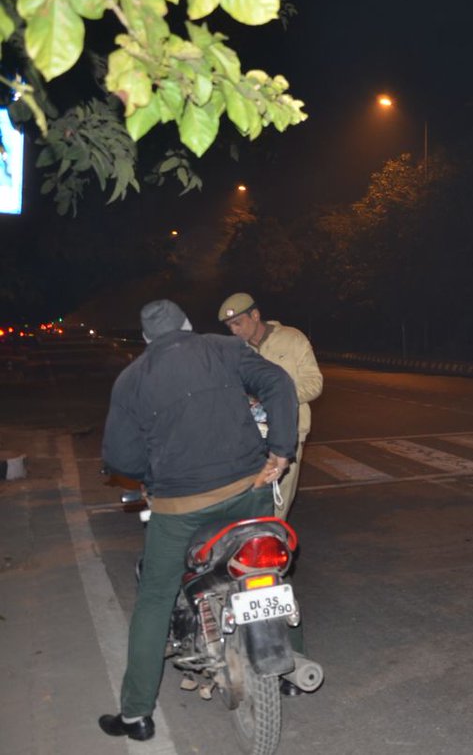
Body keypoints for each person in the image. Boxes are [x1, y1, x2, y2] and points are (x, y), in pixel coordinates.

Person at [98, 299, 299, 742]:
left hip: (180, 507)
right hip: (250, 490)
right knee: (267, 568)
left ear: (147, 340)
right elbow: (279, 383)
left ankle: (135, 715)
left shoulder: (131, 379)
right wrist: (281, 451)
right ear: (189, 325)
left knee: (155, 597)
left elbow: (119, 456)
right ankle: (287, 670)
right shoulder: (224, 349)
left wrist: (150, 474)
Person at [218, 292, 323, 518]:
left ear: (255, 315)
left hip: (288, 433)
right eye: (229, 326)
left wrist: (279, 398)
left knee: (278, 500)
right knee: (248, 498)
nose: (234, 330)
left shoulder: (292, 339)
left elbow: (315, 383)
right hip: (249, 438)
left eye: (238, 323)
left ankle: (274, 540)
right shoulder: (237, 351)